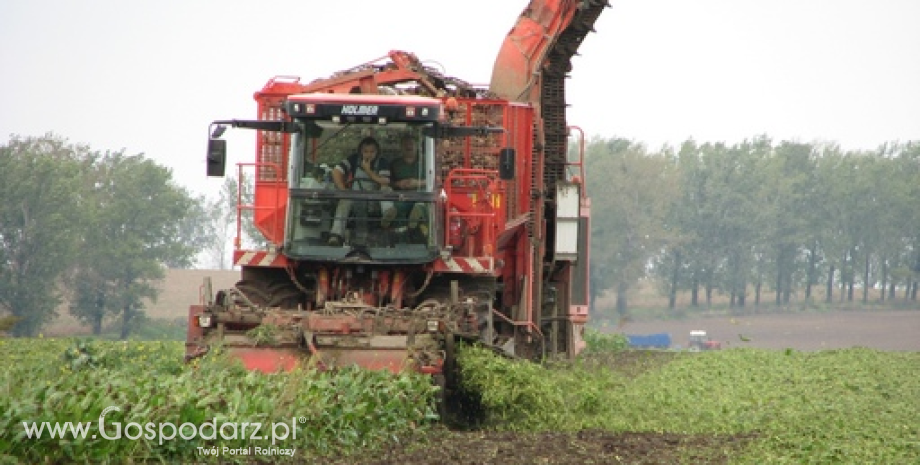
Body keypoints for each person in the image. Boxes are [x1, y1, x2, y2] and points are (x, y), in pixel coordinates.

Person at [327, 137, 392, 246]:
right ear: (360, 152)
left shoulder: (382, 162)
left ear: (377, 152)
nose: (368, 155)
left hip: (375, 200)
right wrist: (343, 189)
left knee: (386, 189)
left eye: (372, 152)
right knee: (344, 200)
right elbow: (336, 171)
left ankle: (388, 214)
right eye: (365, 151)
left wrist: (367, 170)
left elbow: (384, 181)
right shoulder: (353, 159)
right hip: (355, 196)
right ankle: (336, 235)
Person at [388, 134, 427, 233]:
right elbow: (388, 182)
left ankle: (414, 229)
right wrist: (398, 184)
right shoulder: (394, 164)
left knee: (421, 207)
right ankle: (401, 233)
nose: (408, 147)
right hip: (402, 197)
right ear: (401, 147)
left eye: (411, 144)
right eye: (405, 144)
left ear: (417, 145)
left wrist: (418, 183)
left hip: (422, 196)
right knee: (398, 207)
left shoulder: (426, 162)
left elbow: (435, 180)